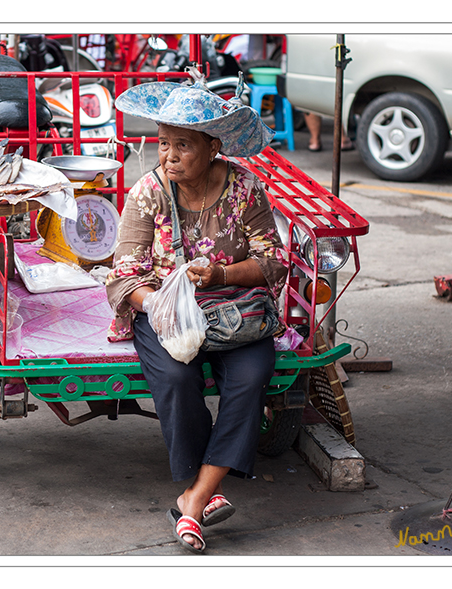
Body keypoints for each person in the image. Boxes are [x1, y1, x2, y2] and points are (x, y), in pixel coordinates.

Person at [106, 74, 287, 553]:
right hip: (163, 313)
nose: (169, 156)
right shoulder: (148, 192)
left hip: (235, 312)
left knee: (251, 376)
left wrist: (222, 277)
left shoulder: (245, 188)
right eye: (164, 144)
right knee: (178, 376)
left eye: (182, 145)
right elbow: (123, 275)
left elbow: (273, 261)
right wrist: (161, 305)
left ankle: (193, 500)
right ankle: (202, 491)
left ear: (212, 147)